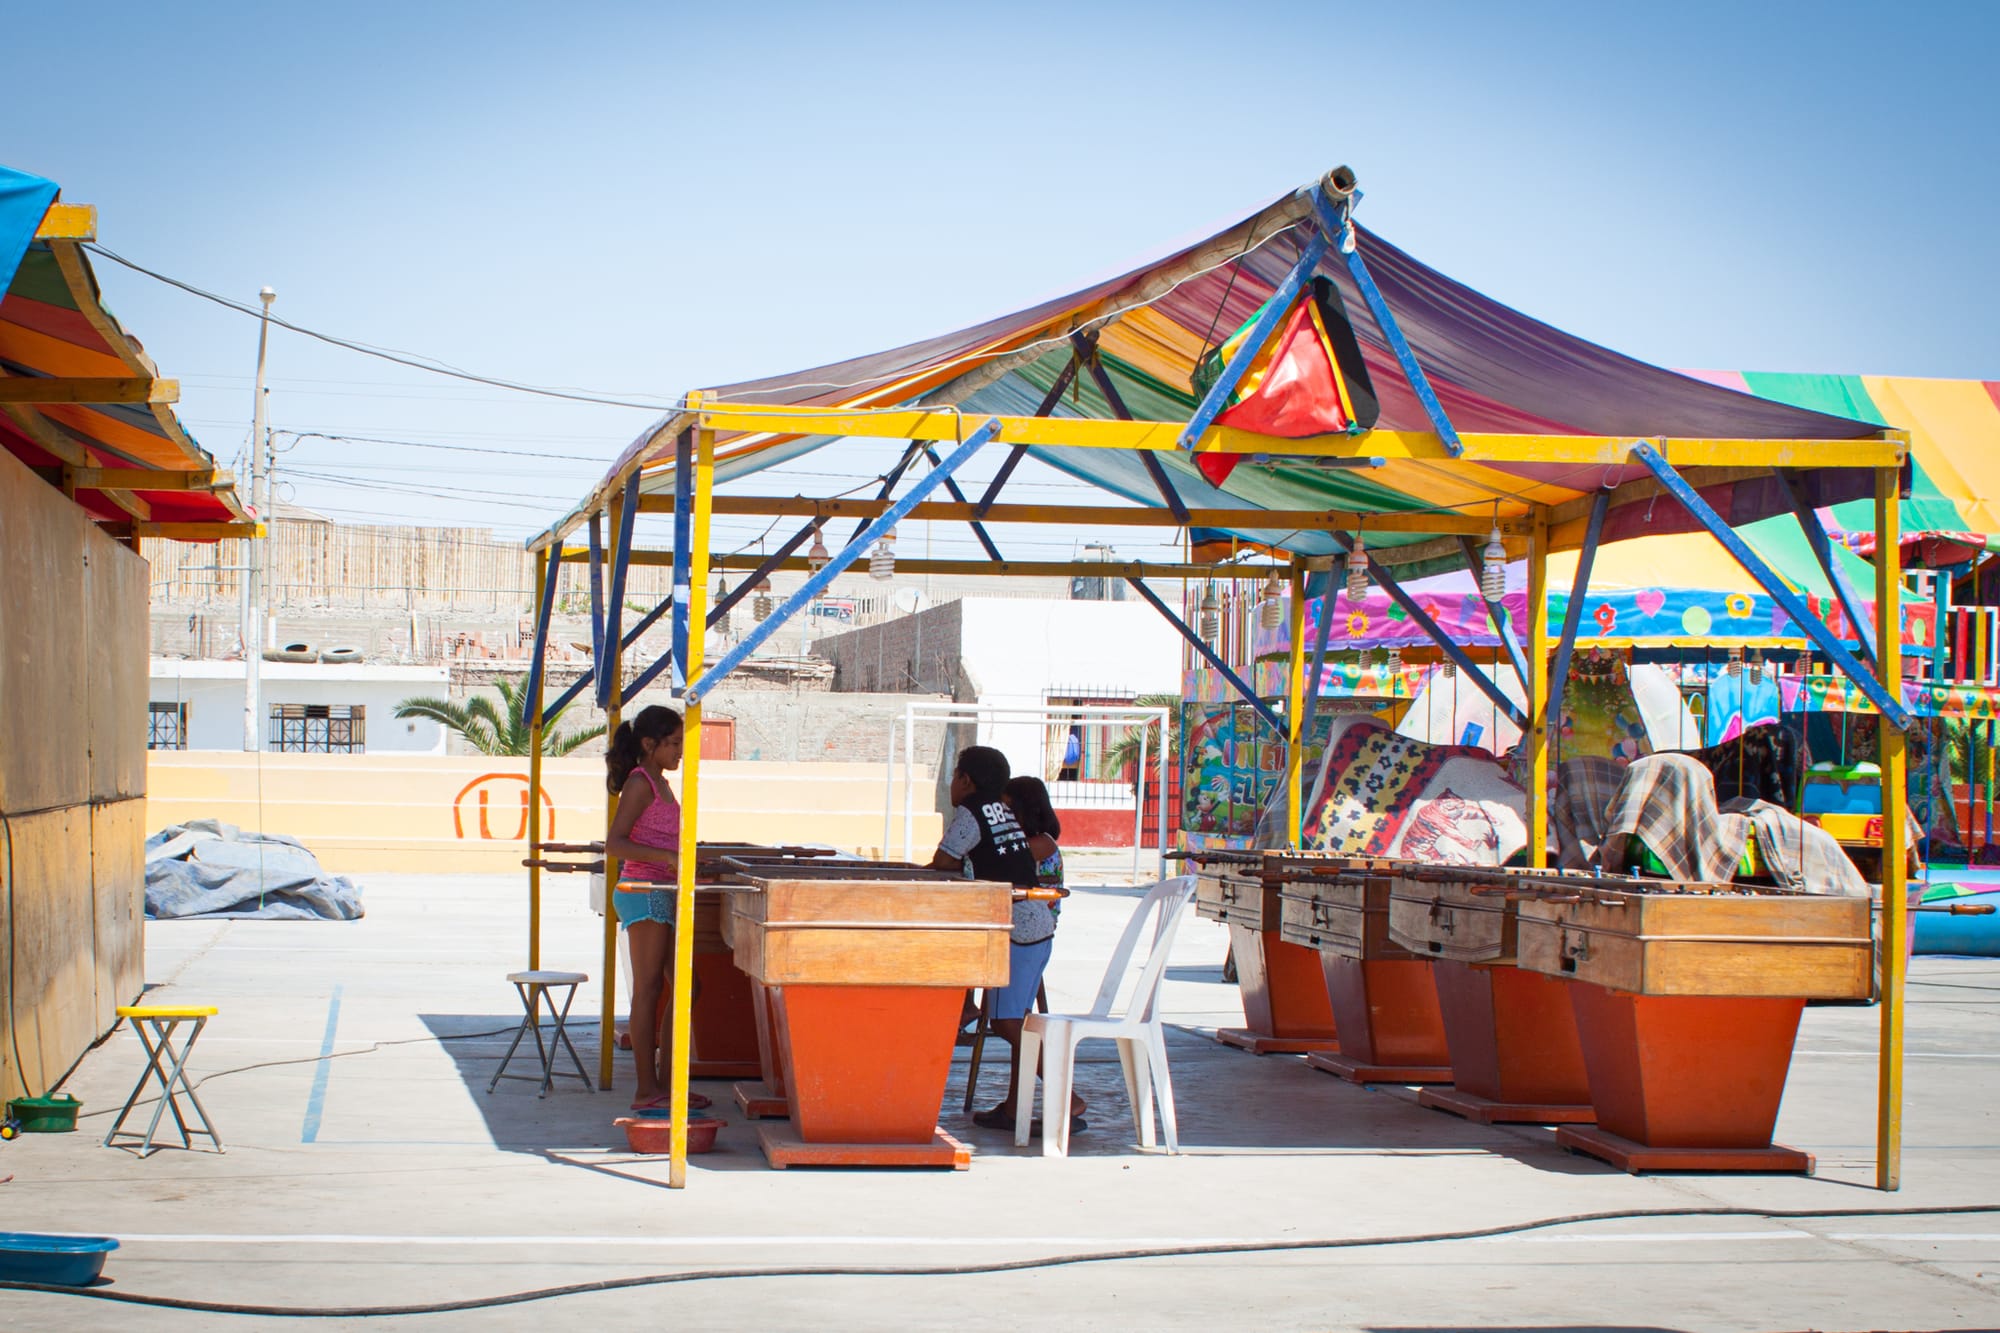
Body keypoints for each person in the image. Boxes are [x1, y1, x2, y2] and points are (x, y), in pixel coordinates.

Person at [604, 705, 708, 1112]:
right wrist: (667, 857)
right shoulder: (640, 783)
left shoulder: (662, 783)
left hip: (662, 891)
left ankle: (668, 1085)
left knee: (687, 987)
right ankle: (646, 1090)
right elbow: (615, 843)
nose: (681, 751)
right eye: (675, 743)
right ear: (650, 744)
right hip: (643, 890)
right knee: (648, 990)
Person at [970, 775, 1086, 1134]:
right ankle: (1014, 1107)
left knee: (1007, 1023)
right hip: (1028, 933)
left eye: (1007, 808)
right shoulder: (1030, 841)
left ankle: (1067, 1095)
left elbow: (996, 863)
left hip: (1026, 933)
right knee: (1016, 1021)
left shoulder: (1041, 842)